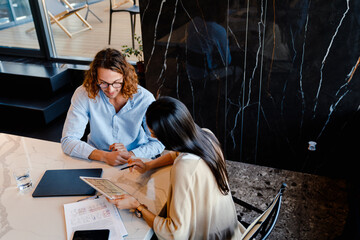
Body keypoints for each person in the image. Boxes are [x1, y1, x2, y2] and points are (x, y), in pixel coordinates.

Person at [108, 96, 245, 239]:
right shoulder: (206, 136)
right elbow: (176, 154)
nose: (154, 137)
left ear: (167, 137)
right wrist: (149, 165)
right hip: (228, 228)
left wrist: (136, 205)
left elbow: (174, 233)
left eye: (155, 135)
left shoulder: (184, 167)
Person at [61, 48, 164, 166]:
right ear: (95, 78)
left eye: (116, 82)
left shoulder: (144, 98)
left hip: (136, 160)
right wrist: (104, 156)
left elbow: (158, 143)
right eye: (103, 83)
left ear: (125, 77)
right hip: (96, 158)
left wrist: (130, 154)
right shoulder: (83, 94)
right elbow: (68, 140)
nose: (110, 90)